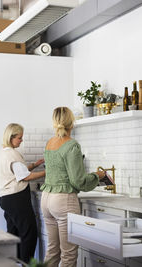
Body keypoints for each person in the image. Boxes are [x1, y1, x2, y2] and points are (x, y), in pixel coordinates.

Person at [40, 107, 106, 267]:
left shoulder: (50, 143)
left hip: (46, 199)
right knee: (68, 254)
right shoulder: (72, 145)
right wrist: (98, 176)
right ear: (72, 123)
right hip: (63, 200)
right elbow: (78, 181)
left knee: (52, 251)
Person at [0, 123, 45, 263]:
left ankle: (10, 263)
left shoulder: (3, 152)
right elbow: (25, 177)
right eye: (19, 138)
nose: (21, 140)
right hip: (16, 199)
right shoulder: (13, 153)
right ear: (11, 137)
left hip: (5, 198)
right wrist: (47, 172)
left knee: (13, 233)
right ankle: (26, 264)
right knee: (29, 233)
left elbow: (16, 173)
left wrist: (34, 165)